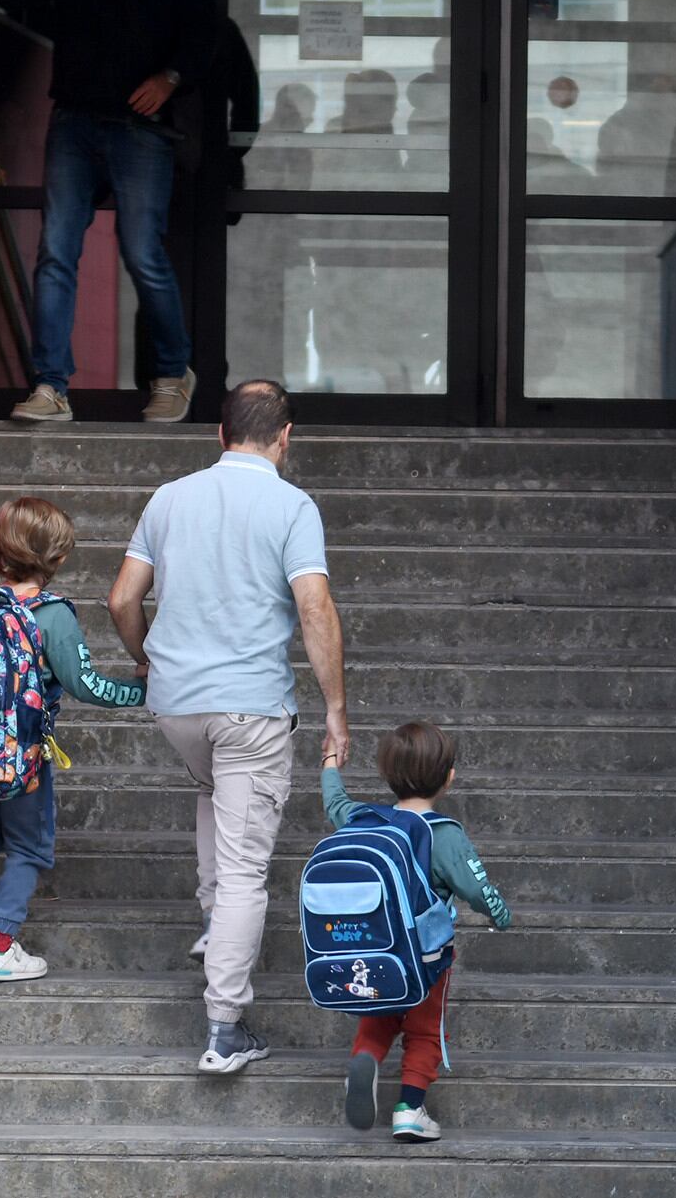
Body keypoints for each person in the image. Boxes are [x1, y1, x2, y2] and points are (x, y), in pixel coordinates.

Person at [105, 380, 351, 1074]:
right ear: (285, 437)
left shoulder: (170, 497)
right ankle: (224, 1026)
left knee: (217, 801)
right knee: (246, 866)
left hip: (177, 706)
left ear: (219, 433)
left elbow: (122, 596)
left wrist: (149, 659)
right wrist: (335, 706)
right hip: (249, 708)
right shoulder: (292, 505)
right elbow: (315, 608)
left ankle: (216, 927)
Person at [0, 0, 219, 425]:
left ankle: (172, 374)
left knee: (142, 251)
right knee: (57, 252)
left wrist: (170, 79)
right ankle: (50, 386)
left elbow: (204, 28)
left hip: (142, 125)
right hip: (74, 117)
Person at [0, 497, 146, 982]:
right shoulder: (52, 617)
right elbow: (86, 685)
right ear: (59, 559)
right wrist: (142, 693)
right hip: (24, 755)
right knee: (29, 849)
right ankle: (0, 948)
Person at [325, 721, 511, 1142]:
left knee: (379, 1017)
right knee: (425, 1029)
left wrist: (330, 761)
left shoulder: (365, 819)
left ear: (386, 775)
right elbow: (475, 888)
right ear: (448, 777)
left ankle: (366, 1059)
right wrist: (501, 914)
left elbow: (335, 803)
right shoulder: (443, 835)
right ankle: (410, 1109)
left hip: (375, 951)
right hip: (428, 957)